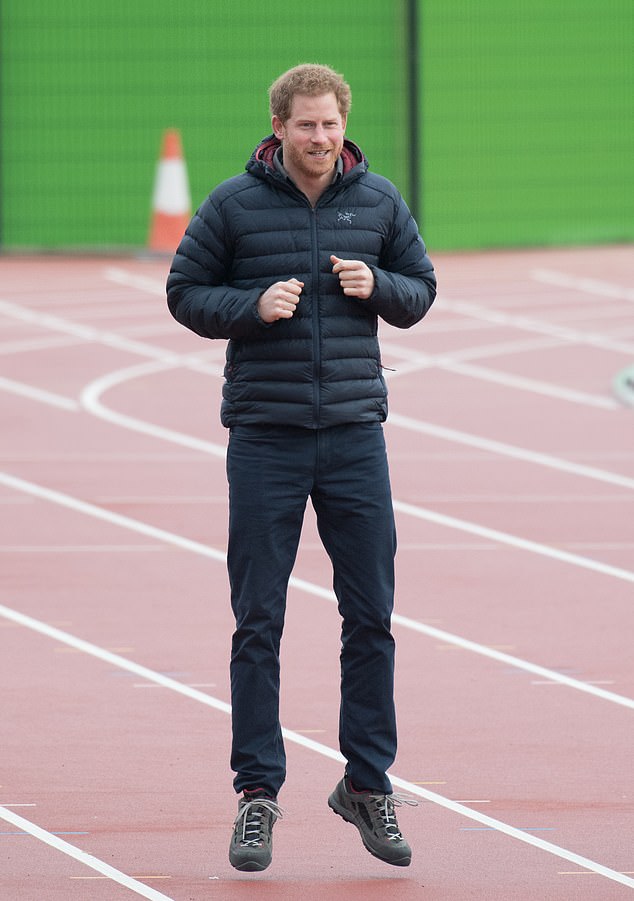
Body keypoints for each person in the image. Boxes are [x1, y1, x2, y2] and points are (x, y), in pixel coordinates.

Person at [167, 63, 436, 872]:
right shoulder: (232, 204)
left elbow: (421, 289)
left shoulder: (379, 201)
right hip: (266, 437)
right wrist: (249, 308)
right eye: (306, 125)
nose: (320, 138)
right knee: (259, 620)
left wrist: (377, 285)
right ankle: (257, 794)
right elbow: (183, 291)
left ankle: (367, 782)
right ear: (278, 125)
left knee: (373, 617)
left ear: (342, 125)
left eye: (331, 125)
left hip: (356, 435)